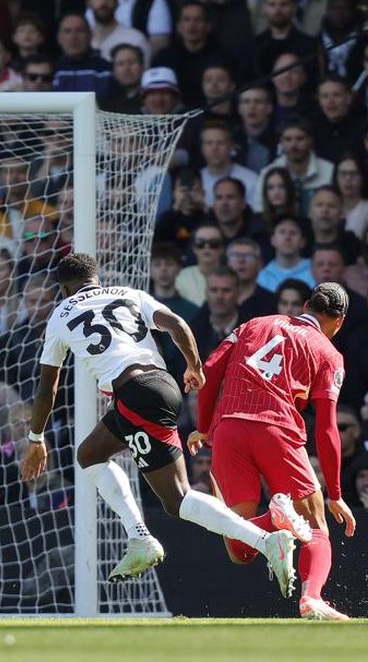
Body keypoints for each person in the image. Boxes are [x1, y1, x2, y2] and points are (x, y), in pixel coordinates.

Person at [19, 253, 298, 590]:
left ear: (64, 289)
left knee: (177, 498)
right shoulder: (128, 293)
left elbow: (48, 386)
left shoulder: (61, 315)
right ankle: (139, 537)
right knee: (90, 454)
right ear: (97, 278)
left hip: (135, 394)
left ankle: (266, 543)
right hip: (159, 386)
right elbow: (177, 324)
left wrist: (36, 437)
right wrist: (194, 366)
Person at [188, 282, 358, 620]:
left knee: (240, 547)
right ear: (338, 322)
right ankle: (311, 599)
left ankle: (273, 520)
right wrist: (335, 493)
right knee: (316, 527)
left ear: (306, 305)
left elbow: (208, 370)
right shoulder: (329, 353)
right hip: (277, 430)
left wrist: (205, 427)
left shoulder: (253, 324)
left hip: (229, 431)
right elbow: (326, 427)